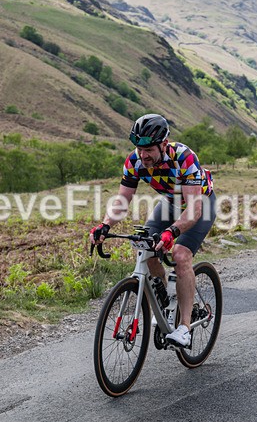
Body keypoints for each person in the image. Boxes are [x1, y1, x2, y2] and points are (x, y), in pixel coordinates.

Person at [89, 113, 216, 347]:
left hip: (200, 205)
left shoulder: (183, 158)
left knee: (180, 254)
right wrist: (105, 224)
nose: (143, 155)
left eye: (148, 150)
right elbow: (122, 201)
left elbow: (193, 212)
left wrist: (172, 232)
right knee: (145, 247)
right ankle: (164, 301)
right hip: (171, 202)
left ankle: (184, 327)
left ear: (164, 144)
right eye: (139, 148)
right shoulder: (135, 161)